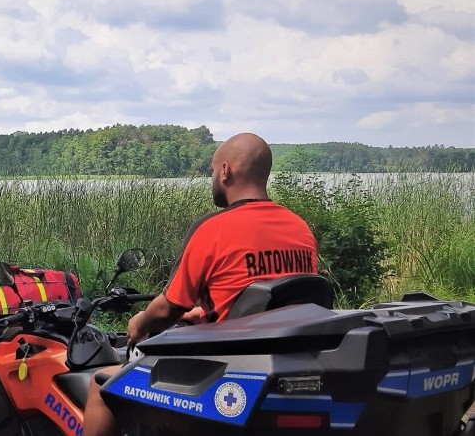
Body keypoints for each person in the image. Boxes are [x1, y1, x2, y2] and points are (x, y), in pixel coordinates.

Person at [82, 132, 319, 436]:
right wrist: (200, 315)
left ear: (225, 171)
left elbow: (168, 307)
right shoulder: (299, 228)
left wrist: (141, 321)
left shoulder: (214, 229)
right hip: (278, 364)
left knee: (102, 385)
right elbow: (270, 304)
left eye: (212, 170)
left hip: (224, 368)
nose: (212, 178)